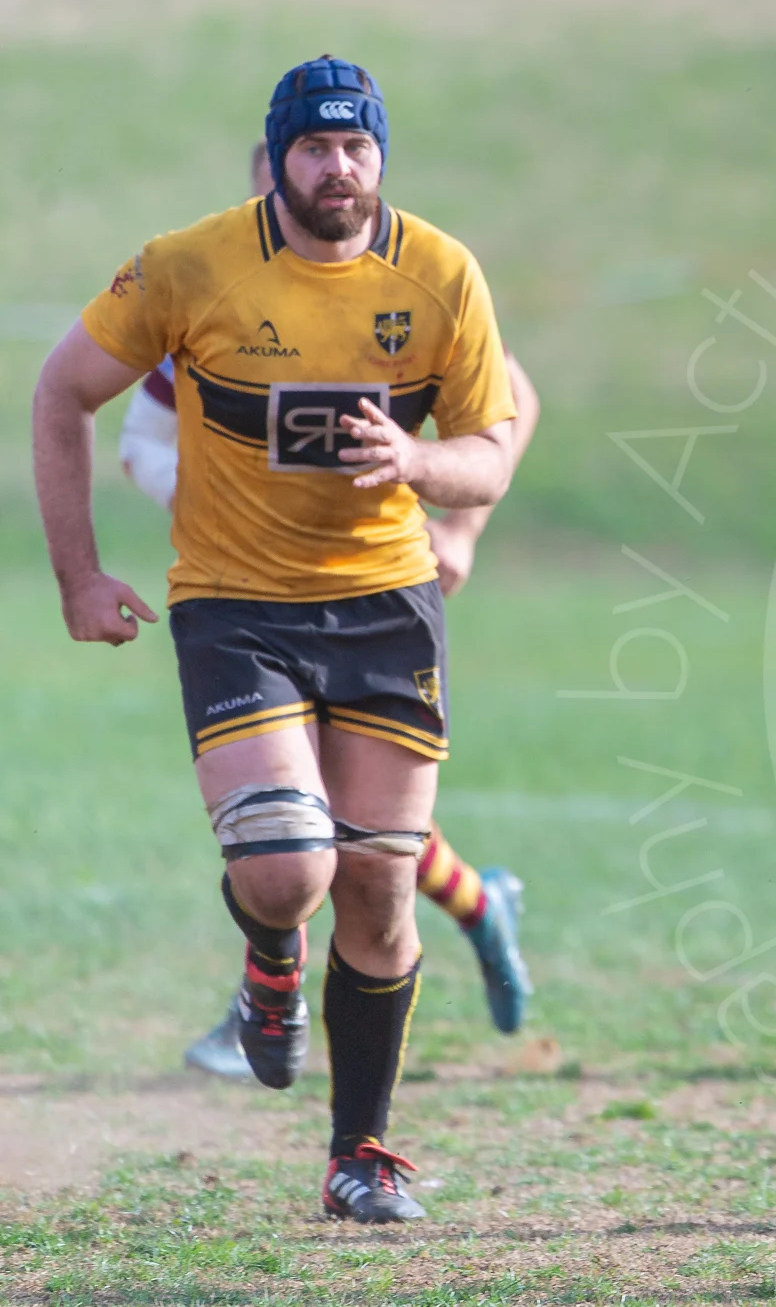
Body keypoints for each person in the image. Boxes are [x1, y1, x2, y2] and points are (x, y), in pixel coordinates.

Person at [32, 57, 522, 1223]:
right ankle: (267, 960)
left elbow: (493, 444)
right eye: (315, 148)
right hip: (236, 605)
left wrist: (417, 463)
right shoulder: (188, 265)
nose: (337, 168)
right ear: (278, 157)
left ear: (381, 157)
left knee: (380, 887)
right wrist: (80, 575)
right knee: (285, 866)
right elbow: (62, 392)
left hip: (387, 604)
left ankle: (362, 1152)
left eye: (357, 148)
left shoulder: (442, 273)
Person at [124, 140, 536, 1083]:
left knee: (345, 830)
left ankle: (294, 1001)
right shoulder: (217, 284)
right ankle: (474, 907)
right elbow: (140, 435)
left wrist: (459, 533)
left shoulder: (405, 282)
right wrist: (226, 499)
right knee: (295, 821)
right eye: (280, 178)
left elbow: (514, 400)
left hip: (374, 583)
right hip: (248, 592)